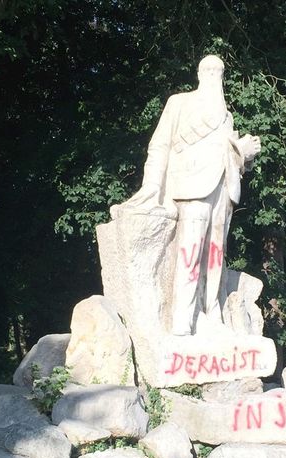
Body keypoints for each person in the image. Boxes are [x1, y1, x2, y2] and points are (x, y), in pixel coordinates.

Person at [119, 55, 261, 335]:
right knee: (190, 251)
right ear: (198, 73)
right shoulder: (179, 102)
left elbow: (229, 155)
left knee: (216, 254)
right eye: (208, 69)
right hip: (191, 186)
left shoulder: (227, 116)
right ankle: (183, 323)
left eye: (218, 71)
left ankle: (211, 317)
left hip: (224, 189)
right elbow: (159, 145)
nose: (213, 74)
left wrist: (245, 155)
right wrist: (152, 187)